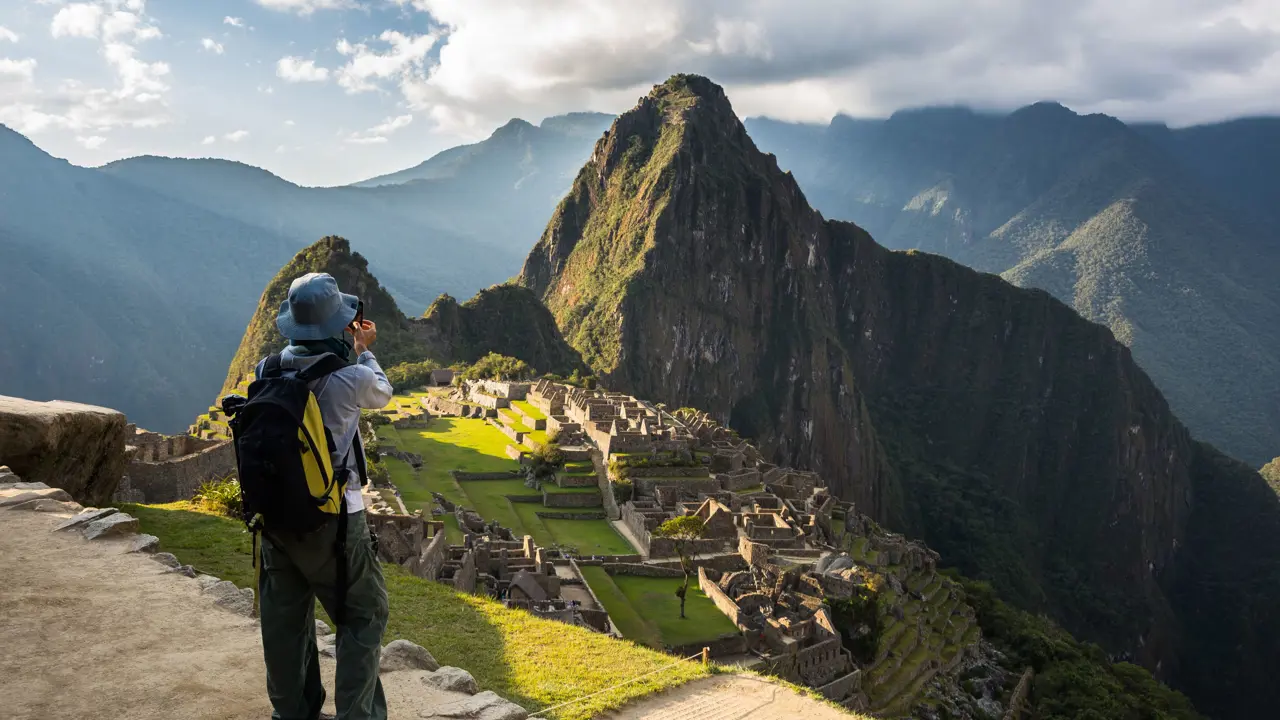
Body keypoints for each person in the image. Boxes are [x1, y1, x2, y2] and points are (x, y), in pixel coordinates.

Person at [256, 272, 394, 720]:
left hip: (275, 518)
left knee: (285, 625)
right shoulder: (351, 377)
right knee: (364, 616)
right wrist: (364, 348)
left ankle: (292, 713)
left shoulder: (267, 369)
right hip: (334, 522)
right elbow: (383, 392)